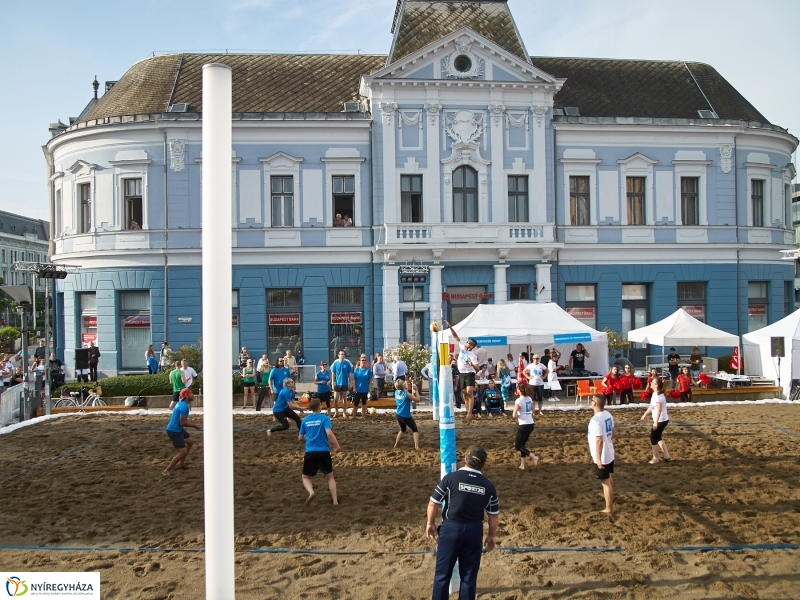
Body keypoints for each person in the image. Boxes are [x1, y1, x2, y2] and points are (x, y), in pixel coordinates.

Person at [427, 447, 499, 600]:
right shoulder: (488, 486)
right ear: (483, 465)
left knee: (442, 575)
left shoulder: (451, 478)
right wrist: (491, 536)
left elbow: (434, 503)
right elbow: (493, 515)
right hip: (474, 531)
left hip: (451, 529)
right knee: (468, 578)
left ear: (466, 459)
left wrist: (430, 523)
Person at [299, 397, 341, 506]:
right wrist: (337, 446)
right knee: (330, 477)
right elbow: (329, 433)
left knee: (305, 477)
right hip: (323, 451)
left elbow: (300, 438)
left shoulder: (305, 420)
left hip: (310, 451)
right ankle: (335, 501)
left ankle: (311, 492)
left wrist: (309, 441)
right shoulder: (324, 418)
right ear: (320, 407)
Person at [445, 320, 480, 422]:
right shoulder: (462, 348)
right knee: (464, 393)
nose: (467, 343)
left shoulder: (472, 355)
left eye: (469, 343)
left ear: (472, 346)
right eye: (467, 342)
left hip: (469, 373)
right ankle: (467, 411)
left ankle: (470, 413)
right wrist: (450, 326)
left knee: (469, 392)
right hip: (462, 373)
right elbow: (456, 336)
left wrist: (471, 364)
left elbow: (477, 368)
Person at [163, 388, 202, 477]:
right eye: (190, 393)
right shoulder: (184, 406)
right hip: (174, 431)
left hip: (177, 428)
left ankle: (182, 463)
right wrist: (195, 426)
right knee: (183, 451)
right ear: (186, 396)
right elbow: (183, 422)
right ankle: (166, 470)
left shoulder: (181, 403)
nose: (192, 395)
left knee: (190, 441)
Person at [588, 395, 615, 514]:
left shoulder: (596, 420)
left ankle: (609, 508)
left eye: (592, 400)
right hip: (609, 451)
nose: (590, 402)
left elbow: (599, 440)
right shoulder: (608, 414)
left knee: (605, 482)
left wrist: (598, 459)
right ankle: (611, 498)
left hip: (602, 455)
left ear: (595, 404)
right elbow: (613, 433)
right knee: (608, 477)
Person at [640, 377, 671, 464]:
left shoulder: (658, 396)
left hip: (661, 420)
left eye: (653, 382)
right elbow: (652, 407)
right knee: (658, 437)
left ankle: (655, 458)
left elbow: (659, 409)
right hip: (662, 419)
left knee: (653, 438)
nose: (651, 383)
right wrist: (645, 414)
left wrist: (656, 422)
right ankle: (666, 455)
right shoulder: (655, 394)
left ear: (656, 385)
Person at [394, 379, 420, 450]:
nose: (406, 384)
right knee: (415, 429)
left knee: (403, 429)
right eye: (404, 384)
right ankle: (416, 446)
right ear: (402, 386)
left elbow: (402, 393)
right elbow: (418, 399)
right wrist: (416, 390)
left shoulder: (396, 392)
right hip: (406, 416)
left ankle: (396, 444)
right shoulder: (407, 394)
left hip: (398, 414)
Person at [330, 350, 353, 418]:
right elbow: (333, 373)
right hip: (337, 383)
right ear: (338, 355)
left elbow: (349, 374)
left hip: (345, 383)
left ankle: (344, 412)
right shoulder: (336, 363)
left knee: (344, 399)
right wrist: (332, 383)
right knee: (336, 399)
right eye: (341, 354)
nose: (342, 355)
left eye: (343, 354)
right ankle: (336, 412)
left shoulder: (347, 363)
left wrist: (350, 382)